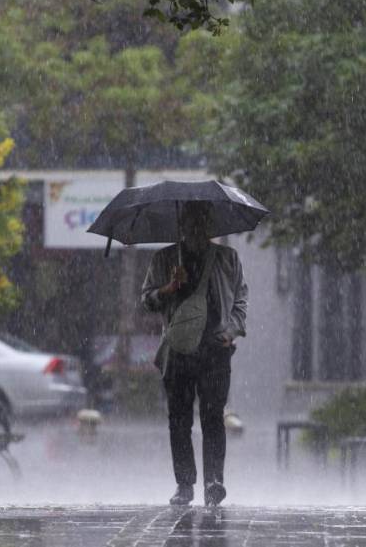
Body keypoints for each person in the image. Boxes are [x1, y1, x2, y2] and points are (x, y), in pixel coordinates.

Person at [141, 200, 248, 506]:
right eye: (189, 221)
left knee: (213, 417)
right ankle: (185, 484)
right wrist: (169, 288)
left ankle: (214, 482)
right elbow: (147, 300)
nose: (195, 227)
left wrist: (231, 331)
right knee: (178, 419)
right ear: (181, 224)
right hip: (178, 351)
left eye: (201, 220)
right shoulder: (164, 259)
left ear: (208, 224)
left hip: (216, 349)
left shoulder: (227, 258)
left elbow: (241, 298)